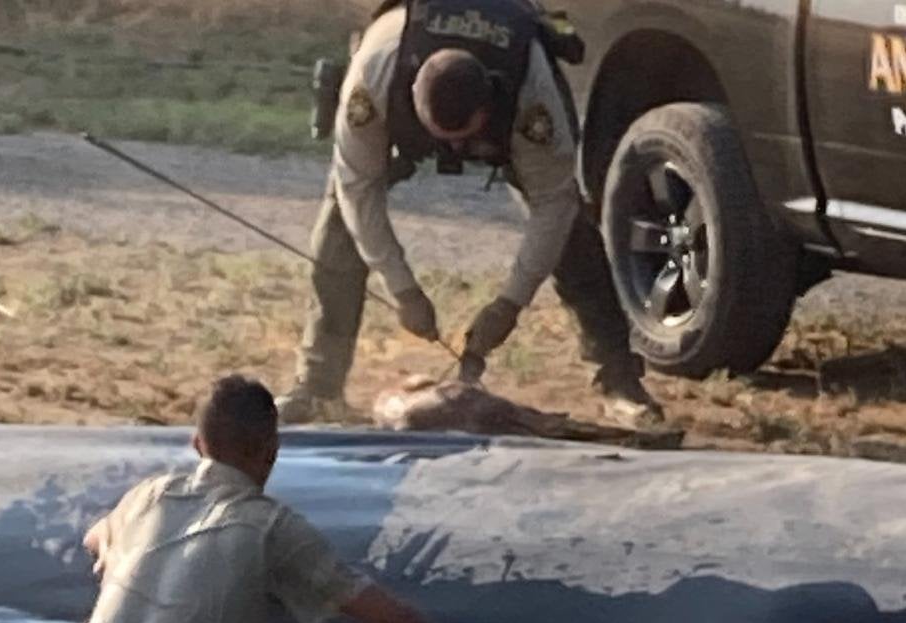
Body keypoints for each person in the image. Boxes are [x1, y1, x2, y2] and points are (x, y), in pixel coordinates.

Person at [276, 0, 662, 424]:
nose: (456, 150)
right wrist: (402, 289)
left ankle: (620, 381)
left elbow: (553, 204)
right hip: (400, 101)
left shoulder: (529, 91)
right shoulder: (373, 78)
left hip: (510, 100)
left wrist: (509, 304)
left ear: (489, 102)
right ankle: (318, 387)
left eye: (464, 138)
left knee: (572, 233)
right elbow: (357, 189)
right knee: (338, 228)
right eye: (446, 138)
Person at [32, 374, 464, 623]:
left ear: (197, 445)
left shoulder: (150, 494)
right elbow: (374, 609)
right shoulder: (272, 527)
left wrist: (112, 544)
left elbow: (94, 535)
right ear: (271, 452)